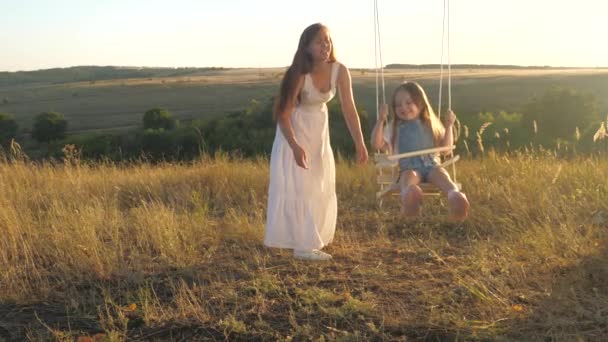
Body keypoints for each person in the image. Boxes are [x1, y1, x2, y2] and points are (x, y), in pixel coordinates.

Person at [264, 23, 368, 261]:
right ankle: (303, 246)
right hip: (295, 131)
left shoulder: (340, 71)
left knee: (318, 183)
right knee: (300, 185)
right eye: (319, 41)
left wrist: (359, 143)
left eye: (328, 40)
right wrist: (295, 147)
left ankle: (310, 241)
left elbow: (349, 109)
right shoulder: (299, 74)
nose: (325, 45)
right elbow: (283, 115)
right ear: (307, 46)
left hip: (318, 132)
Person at [370, 81, 469, 221]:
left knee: (442, 176)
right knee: (408, 177)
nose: (403, 107)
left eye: (408, 102)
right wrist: (380, 120)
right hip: (409, 167)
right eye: (398, 105)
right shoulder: (395, 127)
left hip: (432, 166)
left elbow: (446, 150)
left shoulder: (432, 124)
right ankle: (410, 196)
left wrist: (448, 127)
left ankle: (455, 196)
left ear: (421, 104)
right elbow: (376, 143)